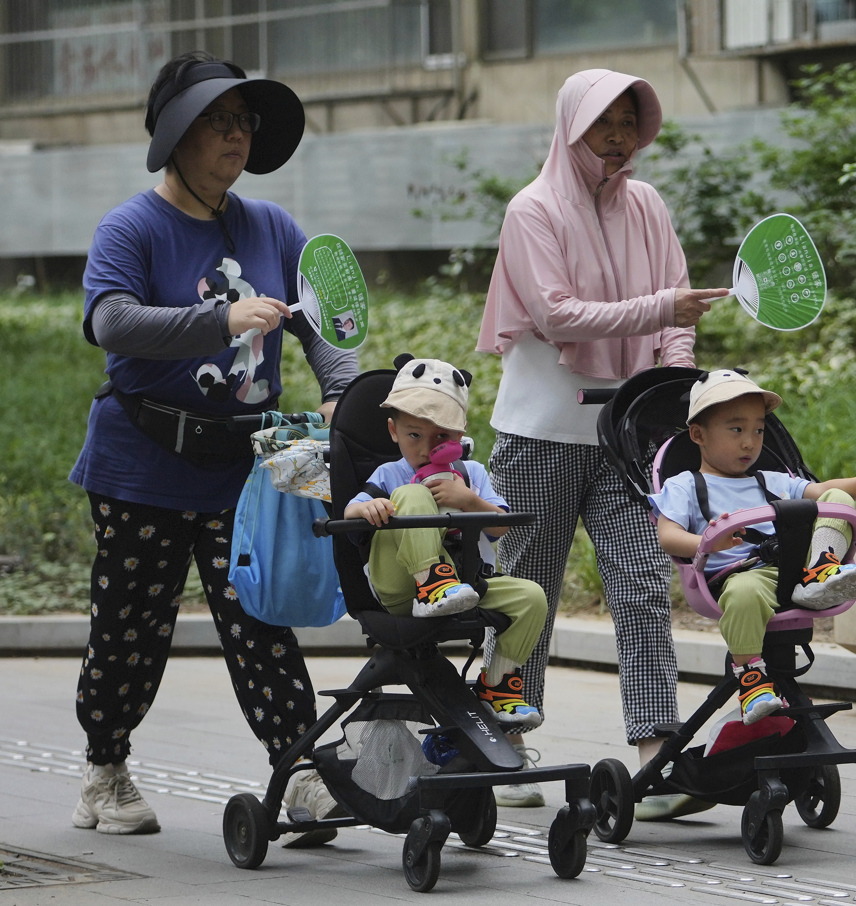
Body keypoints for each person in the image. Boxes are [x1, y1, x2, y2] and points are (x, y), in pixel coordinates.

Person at [68, 51, 357, 839]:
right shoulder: (133, 226)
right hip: (141, 461)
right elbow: (111, 323)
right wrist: (216, 320)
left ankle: (298, 770)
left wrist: (337, 391)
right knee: (131, 627)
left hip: (253, 463)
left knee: (262, 616)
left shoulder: (273, 225)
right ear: (175, 135)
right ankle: (105, 770)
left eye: (243, 122)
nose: (236, 136)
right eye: (217, 123)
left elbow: (323, 322)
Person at [475, 68, 728, 813]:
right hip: (541, 433)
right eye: (602, 123)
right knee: (527, 592)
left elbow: (678, 308)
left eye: (629, 121)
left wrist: (671, 388)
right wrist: (660, 308)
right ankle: (502, 736)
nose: (618, 137)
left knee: (644, 585)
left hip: (627, 436)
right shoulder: (533, 209)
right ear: (570, 126)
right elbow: (557, 315)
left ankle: (655, 754)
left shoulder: (647, 203)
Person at [650, 371, 856, 723]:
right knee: (744, 593)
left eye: (759, 430)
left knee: (837, 498)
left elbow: (823, 490)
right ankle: (752, 678)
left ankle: (821, 570)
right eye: (736, 430)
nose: (750, 442)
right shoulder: (685, 485)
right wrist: (707, 541)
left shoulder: (771, 481)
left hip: (794, 567)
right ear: (698, 435)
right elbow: (668, 535)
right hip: (739, 575)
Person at [343, 357, 549, 728]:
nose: (426, 449)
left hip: (466, 583)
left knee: (532, 596)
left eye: (441, 437)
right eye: (414, 435)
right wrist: (370, 507)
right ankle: (430, 582)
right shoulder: (389, 473)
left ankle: (497, 684)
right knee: (411, 493)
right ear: (394, 431)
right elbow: (348, 513)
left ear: (460, 433)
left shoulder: (471, 475)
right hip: (402, 587)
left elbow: (500, 528)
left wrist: (468, 499)